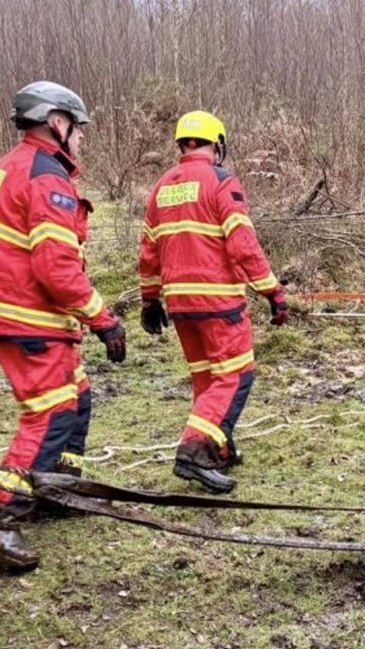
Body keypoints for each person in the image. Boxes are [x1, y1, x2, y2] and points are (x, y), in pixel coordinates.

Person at [0, 81, 127, 573]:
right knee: (51, 414)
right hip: (28, 317)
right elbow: (57, 269)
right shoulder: (46, 178)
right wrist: (103, 319)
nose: (82, 138)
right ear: (57, 122)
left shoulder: (18, 164)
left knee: (78, 399)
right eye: (78, 129)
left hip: (18, 310)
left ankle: (57, 489)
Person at [138, 110, 288, 494]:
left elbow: (149, 251)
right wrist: (271, 291)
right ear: (217, 143)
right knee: (235, 376)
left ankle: (219, 446)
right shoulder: (221, 181)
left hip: (179, 304)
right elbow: (243, 245)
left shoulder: (161, 187)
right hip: (218, 301)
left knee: (207, 379)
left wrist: (150, 300)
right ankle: (193, 451)